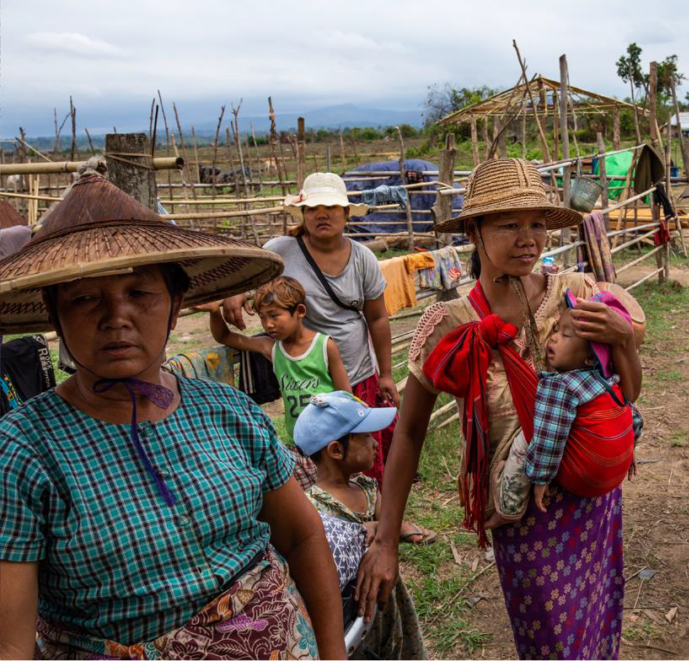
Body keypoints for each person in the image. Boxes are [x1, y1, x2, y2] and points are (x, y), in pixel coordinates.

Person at [0, 174, 345, 659]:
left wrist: (334, 654)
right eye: (84, 298)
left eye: (139, 293)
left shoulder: (227, 410)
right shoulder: (23, 449)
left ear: (175, 304)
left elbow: (302, 535)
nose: (115, 316)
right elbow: (10, 644)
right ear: (55, 317)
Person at [355, 158, 642, 660]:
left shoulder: (574, 294)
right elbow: (411, 432)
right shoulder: (453, 322)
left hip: (593, 501)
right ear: (474, 230)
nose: (527, 238)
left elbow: (624, 393)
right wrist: (386, 539)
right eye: (509, 224)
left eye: (537, 223)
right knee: (549, 639)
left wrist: (625, 340)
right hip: (524, 517)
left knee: (600, 617)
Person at [219, 173, 399, 490]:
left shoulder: (363, 259)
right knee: (322, 460)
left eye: (331, 206)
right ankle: (329, 521)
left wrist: (385, 374)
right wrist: (234, 291)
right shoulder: (281, 251)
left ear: (346, 214)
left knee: (361, 455)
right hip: (312, 379)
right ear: (303, 214)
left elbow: (378, 319)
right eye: (313, 208)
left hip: (356, 373)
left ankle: (377, 519)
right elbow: (245, 273)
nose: (322, 214)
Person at [490, 289, 643, 525]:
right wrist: (629, 448)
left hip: (582, 479)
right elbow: (633, 416)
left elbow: (549, 437)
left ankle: (509, 506)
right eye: (556, 330)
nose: (553, 338)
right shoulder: (610, 381)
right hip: (613, 476)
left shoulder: (561, 386)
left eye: (566, 335)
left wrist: (542, 479)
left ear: (590, 358)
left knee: (527, 436)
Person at [294, 391, 427, 659]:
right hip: (350, 616)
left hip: (385, 596)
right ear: (336, 450)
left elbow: (389, 524)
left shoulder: (365, 486)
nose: (375, 442)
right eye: (365, 436)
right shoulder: (313, 509)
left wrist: (387, 528)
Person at [196, 275, 352, 439]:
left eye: (274, 315)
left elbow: (345, 395)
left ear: (299, 311)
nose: (268, 324)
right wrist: (214, 312)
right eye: (262, 317)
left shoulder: (324, 346)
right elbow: (224, 336)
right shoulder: (271, 348)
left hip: (332, 434)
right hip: (299, 439)